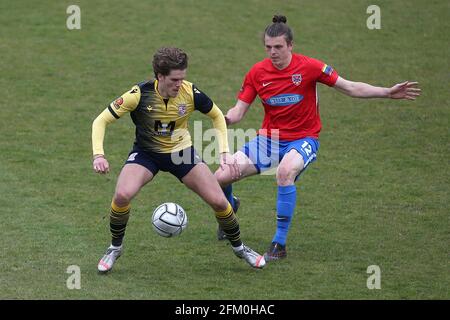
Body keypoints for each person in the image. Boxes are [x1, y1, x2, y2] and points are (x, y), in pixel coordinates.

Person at [214, 15, 421, 262]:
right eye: (268, 47)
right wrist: (224, 118)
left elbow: (350, 87)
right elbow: (238, 112)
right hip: (269, 140)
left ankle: (279, 244)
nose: (273, 52)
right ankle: (231, 210)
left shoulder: (311, 67)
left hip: (303, 139)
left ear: (290, 45)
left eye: (278, 47)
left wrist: (387, 92)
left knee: (284, 172)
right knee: (219, 177)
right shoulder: (257, 73)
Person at [91, 47, 266, 273]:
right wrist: (99, 155)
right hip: (147, 153)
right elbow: (100, 121)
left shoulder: (190, 92)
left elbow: (216, 115)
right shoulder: (138, 95)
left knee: (220, 202)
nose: (180, 84)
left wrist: (224, 152)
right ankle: (115, 248)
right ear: (160, 76)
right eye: (175, 79)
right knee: (122, 194)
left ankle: (240, 248)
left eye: (183, 78)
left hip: (181, 153)